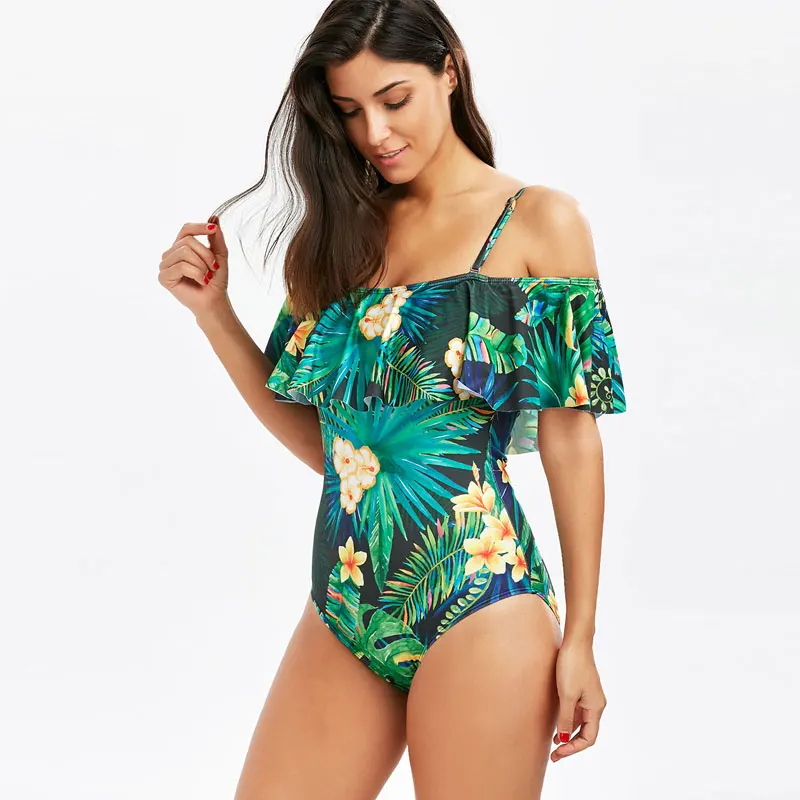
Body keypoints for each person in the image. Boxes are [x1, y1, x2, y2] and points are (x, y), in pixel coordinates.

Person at [157, 1, 627, 797]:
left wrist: (580, 635)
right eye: (349, 110)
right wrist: (214, 314)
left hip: (481, 599)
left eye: (394, 99)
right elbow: (335, 450)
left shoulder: (539, 223)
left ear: (450, 69)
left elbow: (571, 438)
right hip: (344, 607)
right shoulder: (337, 238)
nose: (374, 132)